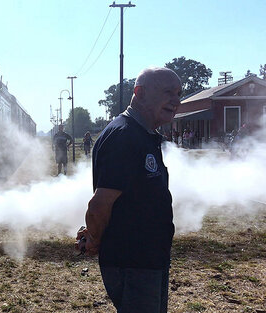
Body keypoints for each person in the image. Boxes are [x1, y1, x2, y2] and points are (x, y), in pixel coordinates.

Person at [75, 67, 181, 312]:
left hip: (149, 259)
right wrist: (94, 238)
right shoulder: (125, 136)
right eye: (168, 92)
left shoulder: (144, 134)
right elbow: (99, 205)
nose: (176, 100)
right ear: (140, 93)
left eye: (178, 93)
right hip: (134, 262)